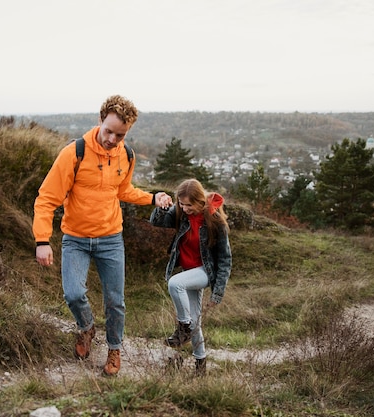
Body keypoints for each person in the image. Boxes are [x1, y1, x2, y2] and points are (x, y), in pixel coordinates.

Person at [33, 95, 173, 377]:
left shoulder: (126, 155)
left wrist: (151, 197)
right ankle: (86, 328)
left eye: (120, 134)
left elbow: (122, 191)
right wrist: (42, 241)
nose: (112, 139)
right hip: (76, 238)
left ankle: (114, 348)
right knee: (73, 294)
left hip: (111, 238)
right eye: (109, 131)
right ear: (100, 120)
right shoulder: (75, 153)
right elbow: (47, 199)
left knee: (115, 300)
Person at [149, 178, 232, 376]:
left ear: (199, 201)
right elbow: (156, 221)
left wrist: (217, 293)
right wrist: (161, 207)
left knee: (174, 283)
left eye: (189, 205)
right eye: (181, 203)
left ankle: (182, 328)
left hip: (205, 272)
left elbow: (225, 258)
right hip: (189, 273)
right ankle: (200, 365)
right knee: (196, 323)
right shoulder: (180, 213)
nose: (185, 208)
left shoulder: (214, 220)